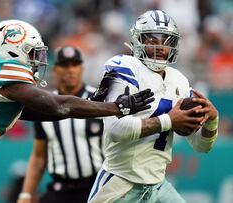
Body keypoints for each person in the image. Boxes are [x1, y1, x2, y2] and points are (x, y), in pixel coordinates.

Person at [0, 19, 154, 203]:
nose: (38, 61)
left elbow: (54, 113)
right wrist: (114, 107)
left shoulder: (3, 86)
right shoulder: (1, 67)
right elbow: (58, 105)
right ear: (13, 48)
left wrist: (98, 106)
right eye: (33, 53)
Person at [87, 10, 219, 203]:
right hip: (121, 184)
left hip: (158, 185)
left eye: (167, 42)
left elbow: (201, 146)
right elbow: (116, 129)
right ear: (137, 40)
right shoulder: (126, 66)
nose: (160, 48)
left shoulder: (179, 81)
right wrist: (168, 121)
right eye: (153, 40)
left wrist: (212, 122)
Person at [18, 46, 105, 203]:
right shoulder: (44, 105)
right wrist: (26, 194)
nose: (70, 70)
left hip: (97, 187)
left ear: (82, 67)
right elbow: (39, 158)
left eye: (75, 64)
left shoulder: (99, 101)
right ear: (55, 69)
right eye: (65, 65)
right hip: (61, 189)